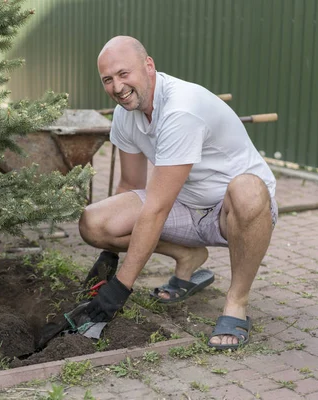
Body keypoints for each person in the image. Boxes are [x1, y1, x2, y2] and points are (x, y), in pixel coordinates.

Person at [80, 36, 277, 350]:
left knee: (249, 189)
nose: (117, 87)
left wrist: (119, 290)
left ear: (148, 66)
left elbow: (156, 209)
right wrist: (110, 256)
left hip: (231, 211)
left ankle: (236, 302)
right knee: (95, 221)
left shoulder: (180, 109)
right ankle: (188, 255)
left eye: (123, 74)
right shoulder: (125, 115)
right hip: (184, 205)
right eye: (108, 79)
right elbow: (130, 185)